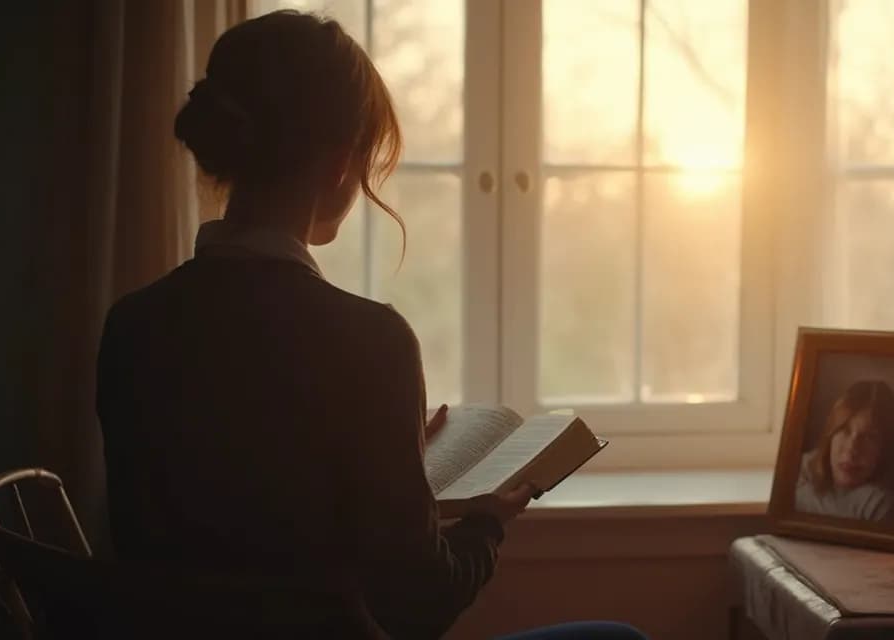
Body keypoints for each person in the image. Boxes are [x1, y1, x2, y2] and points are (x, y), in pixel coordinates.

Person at [96, 11, 644, 640]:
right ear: (339, 163)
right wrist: (488, 523)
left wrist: (396, 457)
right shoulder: (369, 343)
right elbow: (420, 603)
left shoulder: (133, 326)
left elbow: (224, 519)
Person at [795, 379, 894, 523]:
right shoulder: (800, 469)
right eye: (844, 430)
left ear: (884, 448)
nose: (852, 448)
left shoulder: (879, 504)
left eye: (869, 437)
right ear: (831, 434)